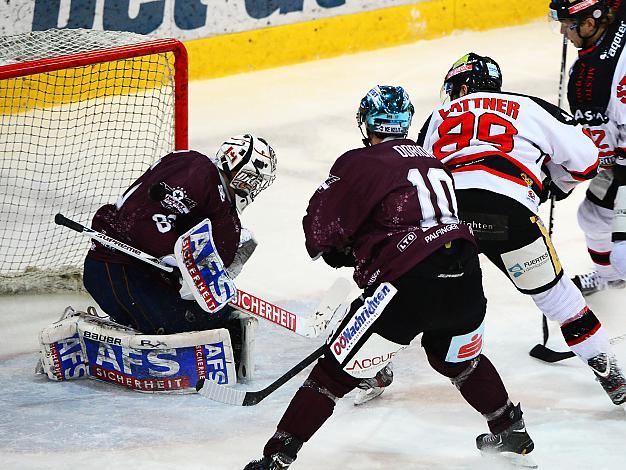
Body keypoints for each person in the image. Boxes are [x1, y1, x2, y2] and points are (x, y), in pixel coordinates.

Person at [244, 86, 536, 470]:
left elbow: (320, 234)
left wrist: (345, 251)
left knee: (332, 374)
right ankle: (509, 430)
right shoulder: (433, 161)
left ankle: (275, 458)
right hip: (465, 275)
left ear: (366, 123)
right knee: (455, 358)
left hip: (408, 283)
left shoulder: (359, 161)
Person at [417, 52, 626, 407]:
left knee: (414, 292)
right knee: (559, 300)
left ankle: (373, 365)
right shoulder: (529, 106)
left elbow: (421, 174)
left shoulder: (436, 117)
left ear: (463, 85)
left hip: (449, 217)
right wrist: (552, 185)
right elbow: (588, 159)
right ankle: (609, 373)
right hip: (508, 211)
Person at [82, 134, 277, 375]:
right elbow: (139, 220)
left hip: (148, 275)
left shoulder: (222, 206)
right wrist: (175, 257)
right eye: (251, 178)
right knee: (181, 327)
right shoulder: (200, 171)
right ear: (232, 163)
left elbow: (207, 255)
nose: (252, 187)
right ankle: (83, 332)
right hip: (117, 265)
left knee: (218, 319)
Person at [549, 0, 626, 296]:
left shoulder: (588, 81)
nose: (562, 32)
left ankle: (611, 275)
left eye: (568, 25)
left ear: (590, 24)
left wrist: (561, 178)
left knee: (595, 218)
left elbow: (601, 157)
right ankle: (610, 276)